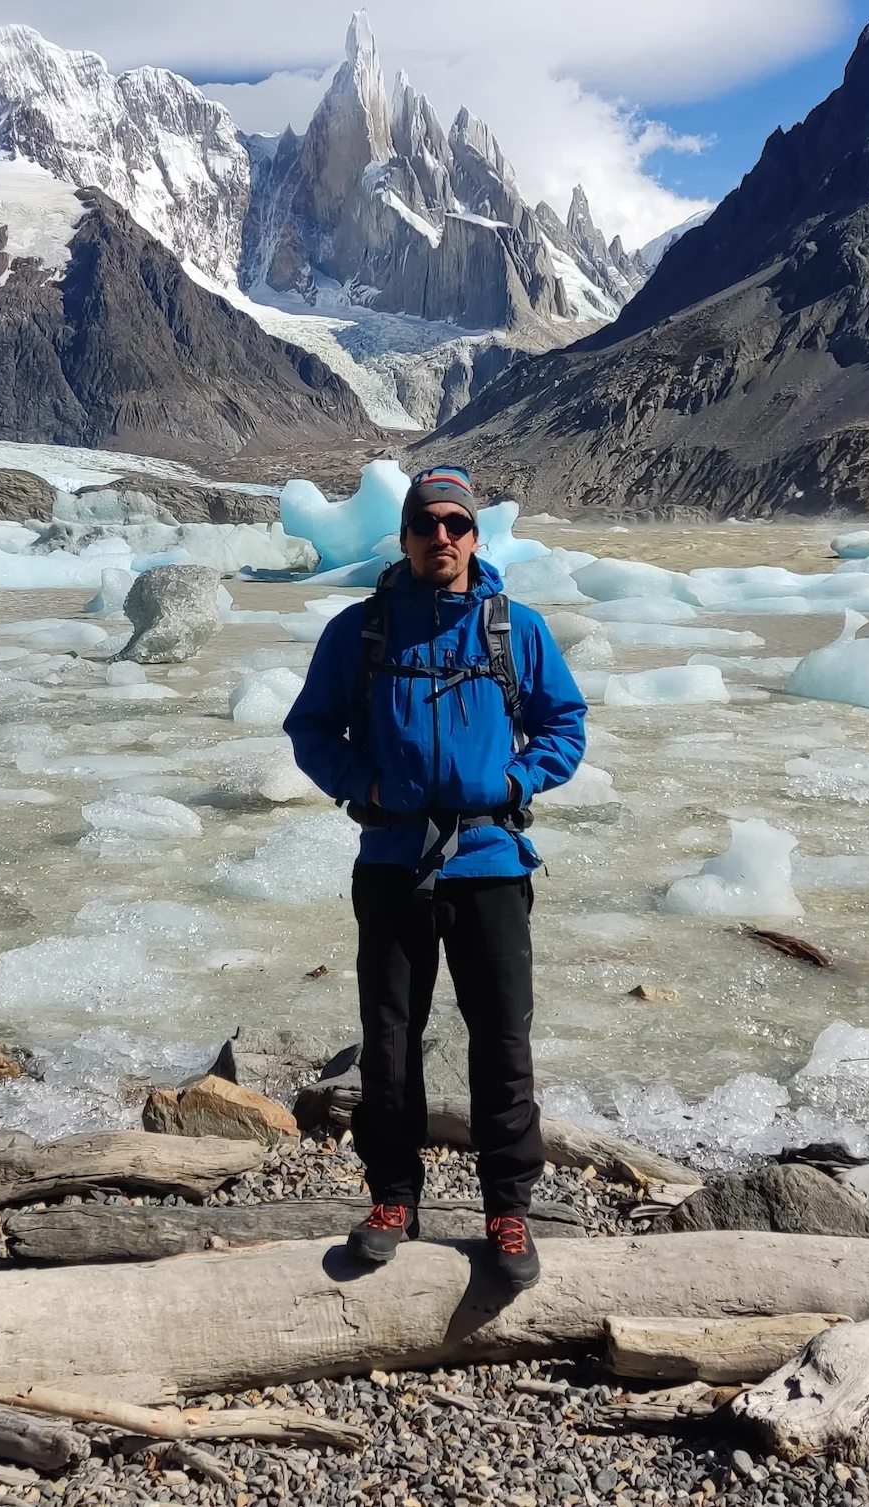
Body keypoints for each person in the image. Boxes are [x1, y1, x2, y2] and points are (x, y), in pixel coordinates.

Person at [284, 463, 586, 1290]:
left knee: (502, 1043)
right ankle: (393, 1199)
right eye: (426, 524)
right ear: (406, 535)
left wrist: (518, 781)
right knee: (387, 1045)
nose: (441, 537)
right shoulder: (362, 631)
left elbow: (565, 721)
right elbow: (310, 727)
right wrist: (363, 782)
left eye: (456, 523)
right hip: (391, 862)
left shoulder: (513, 630)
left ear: (475, 536)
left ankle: (507, 1208)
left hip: (489, 863)